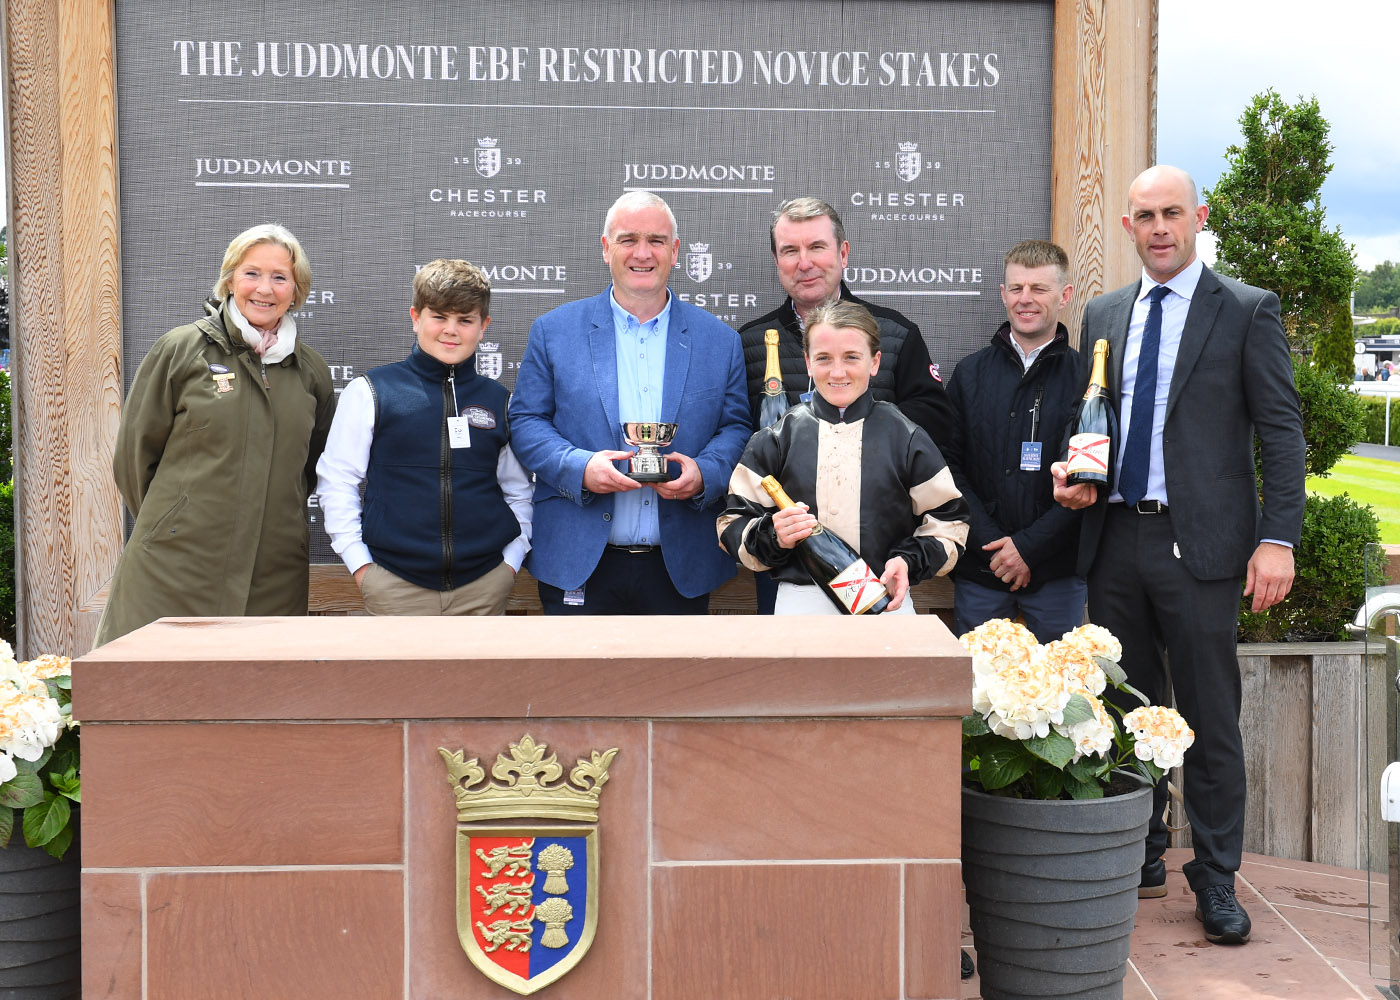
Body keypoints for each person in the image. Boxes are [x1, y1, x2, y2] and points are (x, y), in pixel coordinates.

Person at [1051, 165, 1305, 946]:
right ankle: (1143, 849)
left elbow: (1281, 430)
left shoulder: (1247, 309)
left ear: (1199, 217)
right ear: (1128, 226)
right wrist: (1077, 475)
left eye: (1172, 213)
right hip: (1114, 539)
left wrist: (1278, 538)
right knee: (1128, 711)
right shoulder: (1104, 312)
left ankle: (1216, 876)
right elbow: (1095, 418)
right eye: (1145, 216)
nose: (1159, 228)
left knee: (1208, 719)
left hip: (1203, 548)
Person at [508, 191, 750, 614]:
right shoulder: (554, 331)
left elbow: (736, 428)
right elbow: (526, 421)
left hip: (681, 565)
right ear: (606, 248)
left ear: (675, 251)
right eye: (628, 239)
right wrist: (579, 467)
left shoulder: (720, 341)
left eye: (656, 240)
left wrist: (704, 474)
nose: (643, 253)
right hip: (577, 561)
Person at [94, 224, 335, 646]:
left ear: (296, 291)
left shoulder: (310, 371)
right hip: (174, 567)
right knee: (156, 678)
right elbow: (135, 457)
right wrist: (175, 522)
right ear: (230, 281)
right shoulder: (181, 350)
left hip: (273, 575)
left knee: (256, 682)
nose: (265, 288)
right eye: (252, 273)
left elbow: (310, 467)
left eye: (280, 277)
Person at [737, 197, 956, 612]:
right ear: (777, 260)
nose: (804, 262)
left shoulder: (895, 332)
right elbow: (736, 437)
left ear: (843, 252)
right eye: (790, 250)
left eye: (816, 247)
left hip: (881, 568)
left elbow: (936, 423)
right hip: (788, 567)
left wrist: (860, 431)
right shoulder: (750, 342)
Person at [718, 300, 968, 614]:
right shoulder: (776, 439)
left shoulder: (906, 437)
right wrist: (774, 535)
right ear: (808, 363)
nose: (838, 372)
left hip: (886, 602)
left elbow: (951, 523)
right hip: (800, 606)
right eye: (824, 358)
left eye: (851, 357)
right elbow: (731, 524)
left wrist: (908, 561)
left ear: (875, 362)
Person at [314, 259, 532, 615]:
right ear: (416, 318)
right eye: (439, 317)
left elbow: (519, 491)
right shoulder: (372, 390)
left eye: (465, 320)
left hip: (484, 586)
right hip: (394, 585)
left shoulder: (500, 401)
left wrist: (511, 561)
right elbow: (337, 480)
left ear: (483, 326)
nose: (451, 330)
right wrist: (361, 566)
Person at [945, 240, 1085, 641]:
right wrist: (994, 544)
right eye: (1017, 288)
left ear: (1064, 296)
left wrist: (1028, 548)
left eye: (1039, 289)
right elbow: (947, 468)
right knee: (979, 680)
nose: (1026, 299)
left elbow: (1090, 480)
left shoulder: (1086, 377)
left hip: (1058, 571)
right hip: (981, 568)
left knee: (1064, 679)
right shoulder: (969, 374)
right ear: (1003, 294)